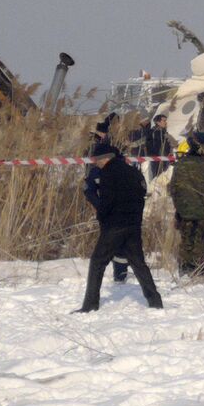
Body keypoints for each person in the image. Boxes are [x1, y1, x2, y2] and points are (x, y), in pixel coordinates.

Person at [76, 144, 163, 312]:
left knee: (97, 262)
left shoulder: (108, 172)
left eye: (97, 160)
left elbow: (107, 201)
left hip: (114, 224)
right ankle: (155, 301)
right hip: (133, 224)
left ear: (105, 158)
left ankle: (90, 305)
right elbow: (142, 195)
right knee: (138, 263)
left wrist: (102, 216)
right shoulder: (132, 170)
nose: (96, 164)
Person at [83, 116, 128, 283]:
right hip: (110, 211)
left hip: (118, 211)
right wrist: (100, 206)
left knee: (119, 243)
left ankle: (119, 275)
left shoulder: (119, 166)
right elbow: (88, 189)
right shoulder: (95, 153)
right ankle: (110, 274)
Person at [169, 132, 204, 274]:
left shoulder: (180, 164)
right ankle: (198, 270)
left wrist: (178, 208)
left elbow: (173, 188)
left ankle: (184, 269)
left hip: (185, 210)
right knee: (201, 241)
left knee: (186, 240)